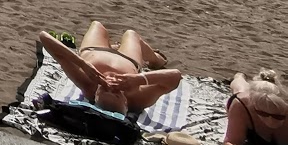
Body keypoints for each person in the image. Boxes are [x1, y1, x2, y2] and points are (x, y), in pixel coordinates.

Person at [37, 24, 181, 115]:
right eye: (117, 93)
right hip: (128, 60)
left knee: (97, 25)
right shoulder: (138, 98)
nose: (111, 86)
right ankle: (156, 60)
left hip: (94, 50)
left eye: (104, 89)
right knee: (131, 34)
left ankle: (113, 48)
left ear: (96, 95)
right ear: (125, 102)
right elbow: (175, 77)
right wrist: (137, 79)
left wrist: (82, 64)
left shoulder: (88, 85)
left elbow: (44, 37)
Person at [223, 71, 288, 145]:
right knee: (239, 89)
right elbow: (230, 142)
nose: (270, 121)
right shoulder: (243, 104)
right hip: (244, 97)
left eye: (278, 116)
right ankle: (239, 76)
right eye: (262, 114)